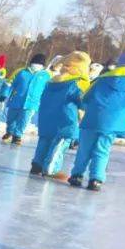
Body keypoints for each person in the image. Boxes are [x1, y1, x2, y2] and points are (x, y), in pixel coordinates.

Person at [68, 45, 125, 191]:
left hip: (92, 119)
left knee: (84, 148)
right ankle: (95, 179)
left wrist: (84, 107)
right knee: (102, 150)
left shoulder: (104, 77)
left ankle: (76, 175)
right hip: (113, 123)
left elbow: (86, 96)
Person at [30, 50, 90, 180]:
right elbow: (83, 101)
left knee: (44, 140)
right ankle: (51, 169)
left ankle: (37, 165)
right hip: (65, 119)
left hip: (47, 117)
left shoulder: (52, 81)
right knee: (60, 143)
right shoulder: (76, 83)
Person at [1, 53, 50, 144]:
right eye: (35, 62)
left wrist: (47, 102)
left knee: (24, 120)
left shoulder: (45, 76)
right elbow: (9, 83)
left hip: (32, 103)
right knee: (11, 119)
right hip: (16, 100)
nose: (37, 65)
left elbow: (48, 90)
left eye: (39, 63)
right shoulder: (21, 72)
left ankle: (17, 135)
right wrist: (4, 94)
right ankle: (9, 132)